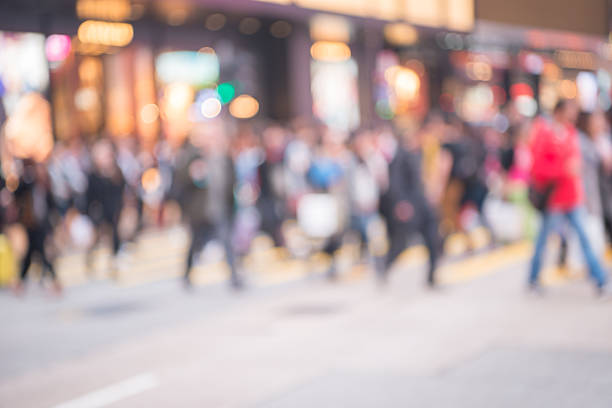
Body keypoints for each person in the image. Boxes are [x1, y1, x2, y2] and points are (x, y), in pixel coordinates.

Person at [528, 100, 609, 295]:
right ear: (558, 112)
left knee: (584, 238)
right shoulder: (545, 134)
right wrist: (563, 171)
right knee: (543, 240)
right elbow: (538, 168)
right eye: (569, 110)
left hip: (572, 198)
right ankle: (532, 278)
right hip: (553, 198)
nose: (573, 114)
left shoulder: (572, 133)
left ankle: (601, 280)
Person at [172, 121, 241, 289]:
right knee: (195, 243)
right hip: (199, 211)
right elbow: (180, 184)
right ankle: (187, 274)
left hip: (220, 208)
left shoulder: (223, 157)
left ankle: (234, 276)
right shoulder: (193, 158)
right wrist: (192, 174)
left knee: (227, 242)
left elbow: (231, 181)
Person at [377, 127, 441, 288]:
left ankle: (432, 276)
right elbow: (396, 184)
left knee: (433, 240)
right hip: (410, 208)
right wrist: (401, 204)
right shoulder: (401, 157)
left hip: (423, 206)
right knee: (401, 244)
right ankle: (384, 265)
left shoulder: (423, 153)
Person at [13, 160, 61, 295]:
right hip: (30, 225)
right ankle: (52, 280)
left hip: (42, 225)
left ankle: (23, 282)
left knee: (38, 253)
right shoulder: (28, 184)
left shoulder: (45, 186)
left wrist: (54, 224)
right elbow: (17, 193)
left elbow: (52, 205)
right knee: (33, 254)